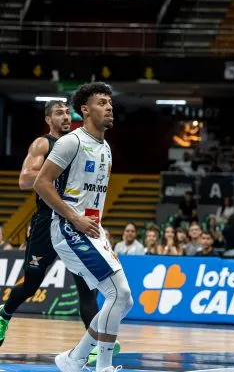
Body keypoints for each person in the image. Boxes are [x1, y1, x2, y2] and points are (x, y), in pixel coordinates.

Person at [0, 100, 112, 364]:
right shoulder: (44, 144)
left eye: (67, 112)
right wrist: (53, 169)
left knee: (86, 288)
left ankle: (94, 345)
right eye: (59, 113)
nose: (66, 116)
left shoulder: (78, 144)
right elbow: (24, 179)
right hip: (46, 221)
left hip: (76, 223)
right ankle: (4, 314)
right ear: (48, 119)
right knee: (31, 283)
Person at [32, 82, 133, 372]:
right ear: (86, 110)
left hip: (92, 231)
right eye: (102, 102)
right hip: (68, 228)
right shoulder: (71, 142)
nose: (109, 107)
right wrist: (74, 218)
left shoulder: (106, 147)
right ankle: (103, 366)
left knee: (123, 303)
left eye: (110, 102)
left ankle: (74, 358)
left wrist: (97, 227)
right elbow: (41, 183)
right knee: (120, 295)